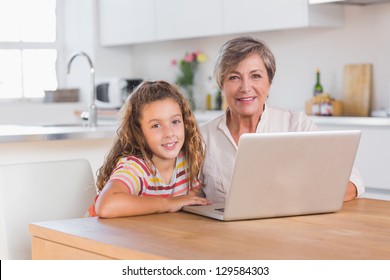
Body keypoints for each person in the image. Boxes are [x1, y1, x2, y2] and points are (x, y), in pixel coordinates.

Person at [200, 36, 364, 203]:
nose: (245, 88)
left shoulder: (297, 125)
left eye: (255, 76)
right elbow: (188, 197)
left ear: (269, 84)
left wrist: (302, 196)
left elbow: (353, 180)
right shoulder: (202, 137)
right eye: (234, 77)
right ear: (221, 85)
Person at [89, 80, 208, 218]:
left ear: (185, 123)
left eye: (175, 122)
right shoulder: (136, 167)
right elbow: (105, 206)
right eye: (156, 125)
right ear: (139, 132)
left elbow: (192, 199)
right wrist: (168, 204)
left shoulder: (188, 161)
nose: (169, 133)